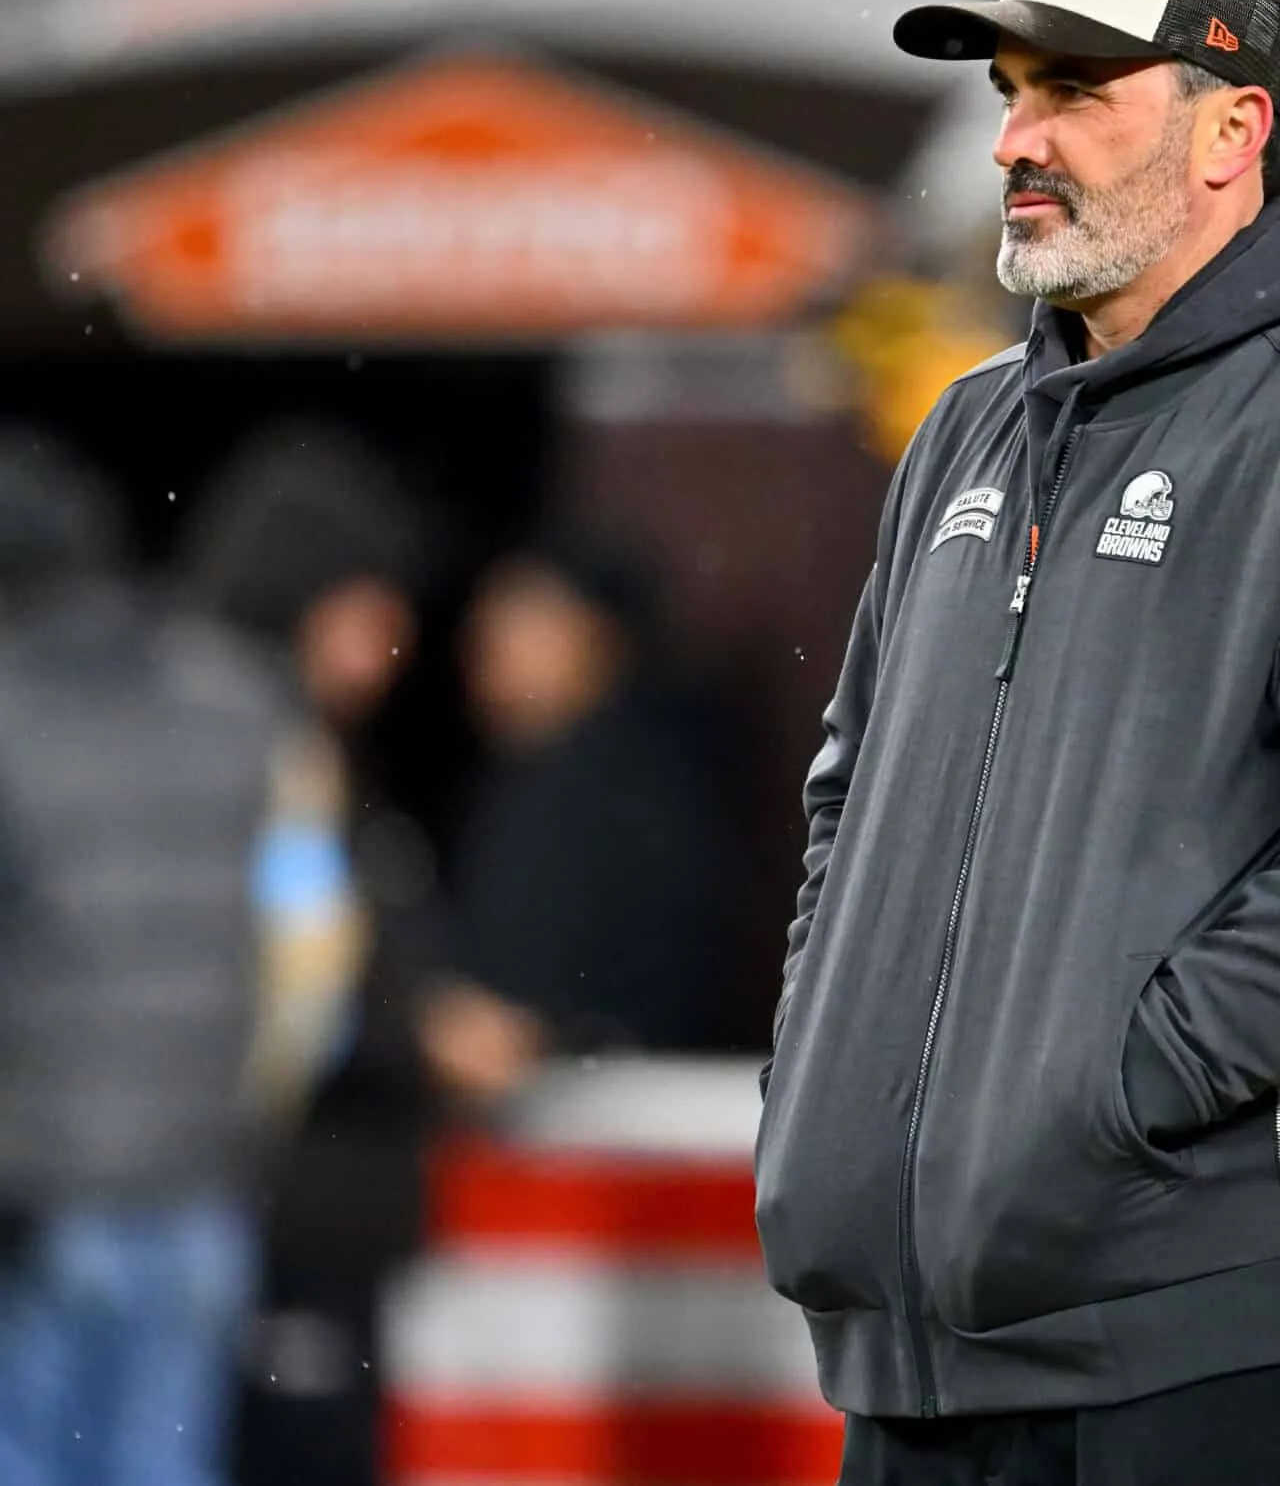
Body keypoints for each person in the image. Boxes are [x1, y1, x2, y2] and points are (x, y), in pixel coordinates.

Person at [754, 0, 1280, 1484]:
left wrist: (1104, 1094)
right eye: (1013, 95)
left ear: (1236, 128)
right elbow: (849, 803)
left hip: (1208, 1346)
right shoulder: (965, 428)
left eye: (1078, 94)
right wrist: (829, 1077)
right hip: (916, 1362)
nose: (1018, 141)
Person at [0, 428, 362, 1486]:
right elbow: (313, 961)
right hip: (197, 1184)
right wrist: (240, 1118)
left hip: (32, 1197)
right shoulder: (242, 702)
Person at [177, 418, 444, 1486]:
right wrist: (416, 1030)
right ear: (306, 596)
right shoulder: (261, 758)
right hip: (283, 1208)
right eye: (370, 604)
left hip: (282, 1209)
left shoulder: (277, 746)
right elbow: (301, 986)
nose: (393, 637)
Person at [432, 532, 743, 1097]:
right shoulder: (517, 774)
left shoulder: (631, 782)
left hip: (607, 1115)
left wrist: (547, 1037)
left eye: (525, 613)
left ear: (598, 636)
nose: (489, 638)